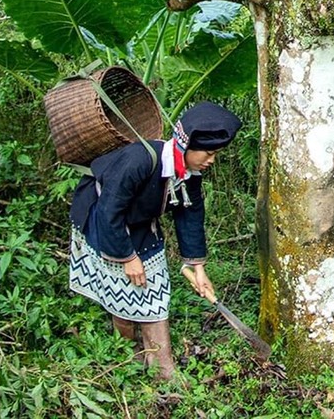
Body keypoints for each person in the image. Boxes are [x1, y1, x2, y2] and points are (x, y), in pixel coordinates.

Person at [69, 99, 242, 378]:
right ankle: (127, 358)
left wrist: (197, 267)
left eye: (216, 153)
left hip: (140, 221)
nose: (212, 160)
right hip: (103, 219)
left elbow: (190, 215)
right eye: (209, 153)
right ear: (187, 146)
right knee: (122, 292)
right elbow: (109, 210)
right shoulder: (140, 160)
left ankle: (163, 370)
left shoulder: (191, 173)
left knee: (155, 290)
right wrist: (127, 257)